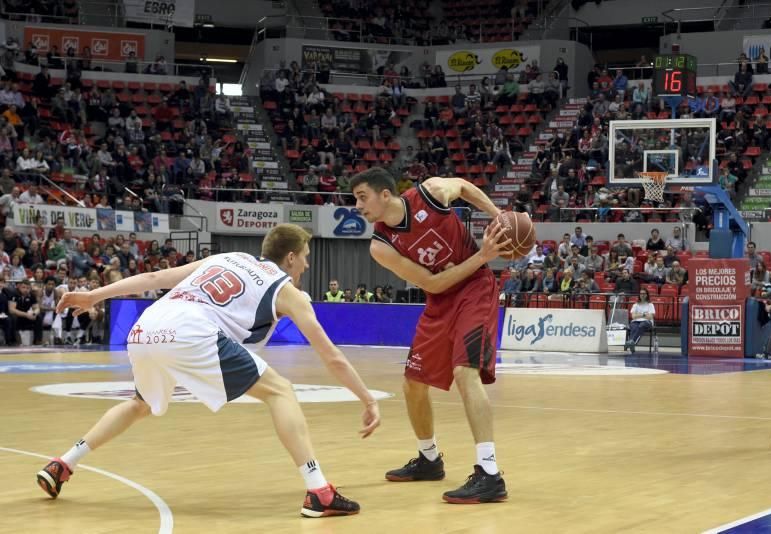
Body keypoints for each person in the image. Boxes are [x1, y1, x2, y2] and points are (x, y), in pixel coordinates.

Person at [36, 224, 380, 517]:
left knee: (139, 403)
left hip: (147, 326)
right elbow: (331, 357)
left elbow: (155, 277)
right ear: (290, 257)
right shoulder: (289, 292)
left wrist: (95, 295)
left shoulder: (228, 258)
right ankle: (318, 491)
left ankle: (63, 463)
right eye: (305, 256)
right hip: (191, 331)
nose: (305, 265)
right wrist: (367, 399)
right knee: (280, 391)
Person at [351, 168, 511, 504]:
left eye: (362, 197)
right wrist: (483, 254)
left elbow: (466, 187)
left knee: (464, 371)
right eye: (355, 199)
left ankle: (490, 472)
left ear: (384, 194)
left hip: (475, 288)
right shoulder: (380, 246)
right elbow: (433, 283)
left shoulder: (431, 192)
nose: (358, 205)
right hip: (440, 298)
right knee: (413, 382)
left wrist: (500, 218)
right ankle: (429, 458)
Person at [625, 288, 655, 353]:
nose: (642, 295)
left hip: (647, 322)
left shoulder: (650, 305)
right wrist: (644, 314)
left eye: (644, 293)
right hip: (636, 321)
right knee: (633, 326)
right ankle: (632, 343)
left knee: (642, 325)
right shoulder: (635, 305)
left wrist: (639, 315)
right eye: (641, 293)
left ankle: (631, 342)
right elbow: (633, 316)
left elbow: (650, 317)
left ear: (647, 295)